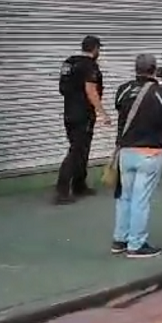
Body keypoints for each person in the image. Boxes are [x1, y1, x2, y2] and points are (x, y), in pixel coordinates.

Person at [111, 54, 162, 259]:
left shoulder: (123, 89)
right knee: (140, 200)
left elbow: (119, 106)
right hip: (150, 153)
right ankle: (136, 244)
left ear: (136, 68)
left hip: (125, 152)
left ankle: (120, 239)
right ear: (155, 69)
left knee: (124, 197)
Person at [55, 35, 111, 205]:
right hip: (83, 114)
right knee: (77, 151)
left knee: (81, 149)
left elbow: (62, 88)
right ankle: (62, 190)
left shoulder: (69, 62)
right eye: (99, 49)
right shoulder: (89, 66)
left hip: (69, 112)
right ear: (95, 49)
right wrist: (102, 113)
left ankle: (79, 185)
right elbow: (90, 90)